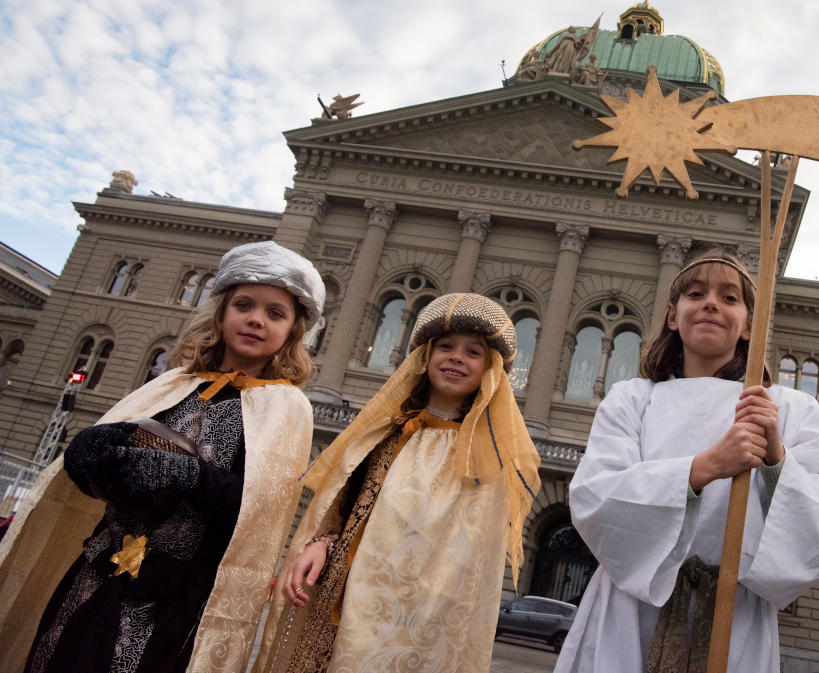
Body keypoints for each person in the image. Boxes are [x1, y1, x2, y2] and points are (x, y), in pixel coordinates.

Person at [0, 240, 324, 673]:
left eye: (275, 313)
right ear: (222, 312)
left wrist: (189, 476)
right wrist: (88, 453)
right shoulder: (172, 382)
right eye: (244, 305)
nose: (255, 319)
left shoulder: (286, 406)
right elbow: (100, 456)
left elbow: (261, 504)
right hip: (98, 569)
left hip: (177, 596)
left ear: (292, 332)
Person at [554, 251, 819, 673]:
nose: (710, 303)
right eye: (696, 293)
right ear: (672, 316)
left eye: (729, 297)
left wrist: (776, 460)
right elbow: (594, 498)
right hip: (631, 610)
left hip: (734, 616)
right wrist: (704, 467)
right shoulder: (632, 399)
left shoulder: (791, 411)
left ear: (750, 324)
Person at [254, 292, 541, 673]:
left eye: (473, 352)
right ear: (426, 356)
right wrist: (321, 543)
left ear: (489, 369)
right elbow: (344, 510)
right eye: (446, 346)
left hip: (425, 622)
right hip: (350, 601)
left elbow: (475, 565)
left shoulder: (487, 461)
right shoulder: (386, 433)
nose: (456, 357)